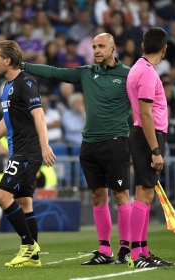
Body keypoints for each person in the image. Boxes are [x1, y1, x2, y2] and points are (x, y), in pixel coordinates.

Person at [21, 33, 132, 265]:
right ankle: (104, 251)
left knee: (121, 196)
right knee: (97, 196)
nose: (97, 50)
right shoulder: (86, 72)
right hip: (89, 143)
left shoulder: (128, 75)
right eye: (94, 46)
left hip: (115, 141)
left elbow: (144, 108)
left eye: (101, 46)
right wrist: (24, 65)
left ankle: (126, 248)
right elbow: (54, 72)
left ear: (113, 49)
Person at [0, 40, 55, 267]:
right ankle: (34, 259)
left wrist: (45, 145)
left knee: (2, 196)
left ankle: (28, 245)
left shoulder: (25, 82)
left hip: (28, 151)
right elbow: (6, 119)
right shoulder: (7, 87)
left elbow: (39, 115)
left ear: (7, 60)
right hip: (19, 150)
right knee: (24, 202)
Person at [126, 26, 174, 269]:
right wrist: (155, 150)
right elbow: (145, 113)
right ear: (164, 49)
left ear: (144, 45)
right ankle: (136, 256)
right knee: (144, 193)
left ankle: (143, 251)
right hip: (149, 136)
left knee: (147, 194)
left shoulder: (138, 68)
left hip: (142, 135)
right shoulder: (147, 73)